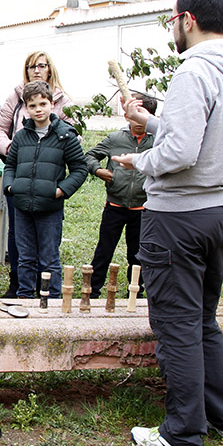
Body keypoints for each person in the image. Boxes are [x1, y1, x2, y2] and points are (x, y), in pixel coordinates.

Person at [112, 0, 223, 446]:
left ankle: (182, 434)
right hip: (221, 211)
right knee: (202, 320)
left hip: (179, 218)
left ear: (188, 20)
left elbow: (180, 153)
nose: (172, 28)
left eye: (173, 19)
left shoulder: (193, 70)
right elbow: (204, 133)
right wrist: (150, 122)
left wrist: (139, 160)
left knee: (176, 325)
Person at [0, 50, 72, 298]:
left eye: (41, 65)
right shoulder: (16, 96)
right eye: (31, 66)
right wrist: (11, 150)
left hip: (48, 183)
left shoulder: (62, 100)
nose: (36, 70)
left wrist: (61, 187)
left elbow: (75, 138)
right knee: (18, 236)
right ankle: (19, 286)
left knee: (47, 245)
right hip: (21, 179)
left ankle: (47, 291)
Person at [1, 81, 88, 298]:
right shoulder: (21, 136)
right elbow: (10, 166)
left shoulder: (65, 135)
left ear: (52, 104)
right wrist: (10, 187)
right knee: (25, 258)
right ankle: (24, 297)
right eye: (32, 106)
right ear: (26, 108)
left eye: (42, 104)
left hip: (50, 209)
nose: (38, 110)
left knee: (49, 259)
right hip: (22, 207)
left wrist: (60, 191)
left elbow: (79, 169)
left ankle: (53, 301)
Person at [84, 93, 157, 297]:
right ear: (127, 116)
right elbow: (89, 156)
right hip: (115, 206)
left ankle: (136, 292)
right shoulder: (115, 139)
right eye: (135, 116)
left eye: (144, 116)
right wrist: (98, 170)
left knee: (138, 254)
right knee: (104, 250)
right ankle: (93, 291)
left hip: (143, 208)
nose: (139, 122)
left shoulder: (158, 141)